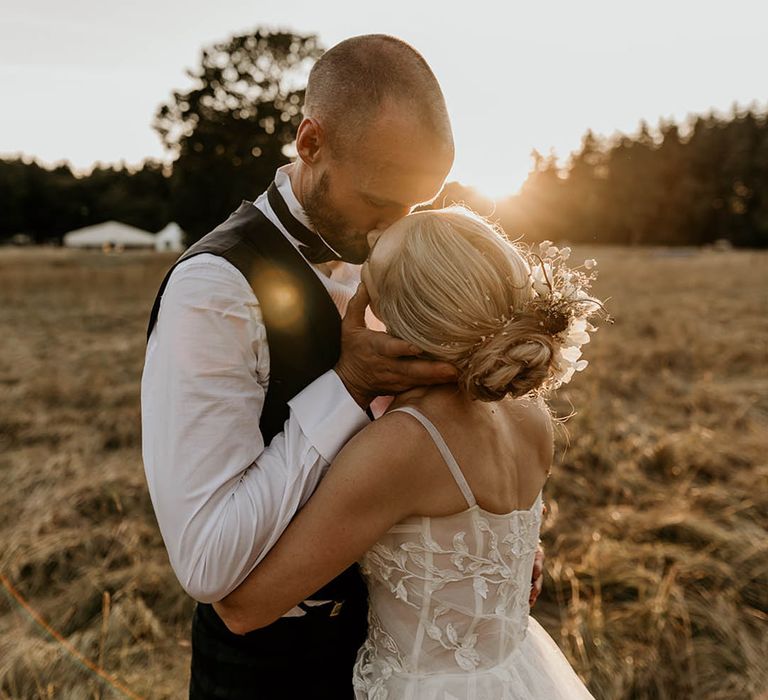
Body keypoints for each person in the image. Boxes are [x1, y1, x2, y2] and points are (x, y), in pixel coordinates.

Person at [142, 34, 544, 698]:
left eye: (418, 205)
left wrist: (491, 544)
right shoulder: (212, 290)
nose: (396, 231)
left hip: (399, 660)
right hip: (270, 670)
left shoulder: (395, 257)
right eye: (382, 204)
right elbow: (209, 562)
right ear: (309, 143)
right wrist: (348, 386)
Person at [213, 207, 601, 699]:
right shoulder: (529, 414)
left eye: (364, 284)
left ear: (397, 315)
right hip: (516, 673)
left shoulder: (402, 446)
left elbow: (243, 610)